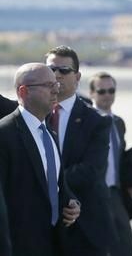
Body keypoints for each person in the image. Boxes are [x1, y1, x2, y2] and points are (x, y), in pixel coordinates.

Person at [0, 63, 81, 256]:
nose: (56, 90)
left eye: (56, 85)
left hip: (54, 244)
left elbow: (53, 184)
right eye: (48, 85)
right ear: (23, 91)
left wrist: (71, 202)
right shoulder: (5, 135)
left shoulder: (48, 133)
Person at [45, 46, 115, 256]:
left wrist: (48, 185)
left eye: (64, 70)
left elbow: (91, 170)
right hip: (41, 227)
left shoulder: (97, 121)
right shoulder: (33, 115)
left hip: (84, 227)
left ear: (77, 76)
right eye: (51, 69)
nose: (57, 74)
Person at [89, 71, 132, 256]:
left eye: (111, 91)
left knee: (125, 247)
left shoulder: (118, 122)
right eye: (102, 91)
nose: (107, 96)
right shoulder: (87, 120)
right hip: (92, 194)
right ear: (92, 93)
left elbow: (120, 157)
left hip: (114, 193)